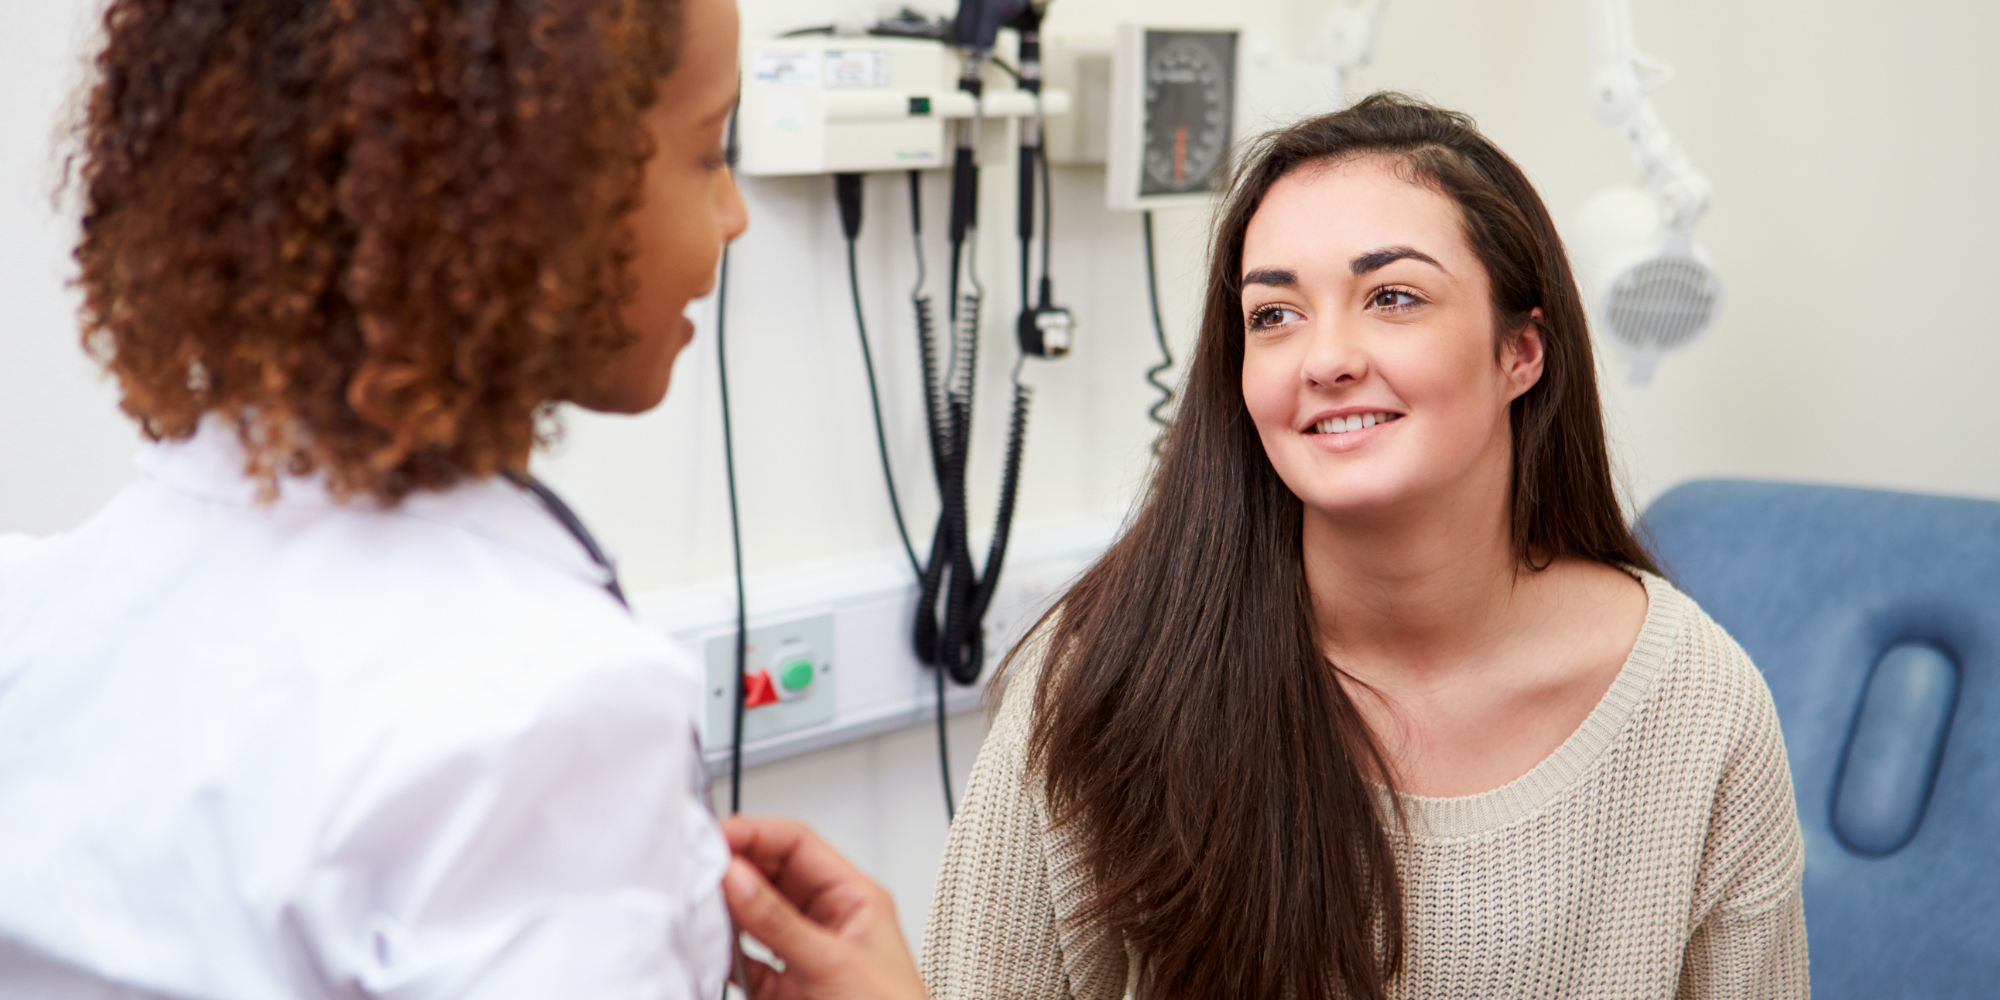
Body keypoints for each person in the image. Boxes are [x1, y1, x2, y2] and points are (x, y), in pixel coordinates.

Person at [916, 94, 1808, 999]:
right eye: (1273, 315)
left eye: (1392, 296)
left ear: (1520, 354)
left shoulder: (1697, 705)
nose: (1324, 357)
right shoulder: (1107, 676)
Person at [0, 0, 747, 994]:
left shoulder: (40, 612)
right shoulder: (540, 709)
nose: (735, 213)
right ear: (536, 184)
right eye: (707, 153)